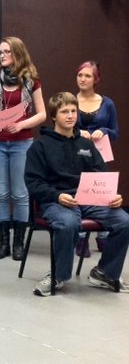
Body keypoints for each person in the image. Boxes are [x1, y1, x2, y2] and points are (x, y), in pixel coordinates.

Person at [24, 92, 129, 296]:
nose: (70, 115)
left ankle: (105, 273)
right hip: (57, 200)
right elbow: (33, 183)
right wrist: (56, 196)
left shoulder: (86, 144)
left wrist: (112, 196)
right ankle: (58, 275)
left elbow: (101, 174)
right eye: (64, 112)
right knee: (68, 223)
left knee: (124, 221)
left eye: (73, 111)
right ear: (54, 116)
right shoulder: (40, 146)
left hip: (90, 199)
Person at [0, 36, 46, 261]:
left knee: (20, 193)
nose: (2, 55)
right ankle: (3, 243)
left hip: (22, 143)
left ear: (18, 53)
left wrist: (20, 124)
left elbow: (42, 114)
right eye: (0, 52)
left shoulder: (32, 81)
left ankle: (19, 243)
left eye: (7, 51)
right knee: (0, 193)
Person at [74, 60, 119, 257]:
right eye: (80, 75)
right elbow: (59, 129)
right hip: (76, 156)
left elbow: (116, 132)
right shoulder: (69, 100)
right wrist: (78, 132)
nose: (83, 79)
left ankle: (102, 236)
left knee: (101, 195)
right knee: (80, 194)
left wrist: (104, 130)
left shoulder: (107, 103)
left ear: (96, 79)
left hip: (99, 156)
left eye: (87, 76)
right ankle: (81, 238)